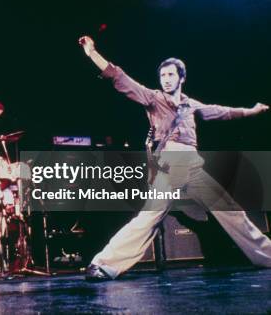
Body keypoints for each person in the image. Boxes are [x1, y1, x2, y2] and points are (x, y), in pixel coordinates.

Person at [77, 35, 271, 280]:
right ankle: (103, 263)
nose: (166, 79)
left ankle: (267, 257)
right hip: (171, 163)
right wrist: (92, 53)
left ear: (182, 78)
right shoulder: (154, 98)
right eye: (163, 75)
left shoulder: (191, 105)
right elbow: (120, 77)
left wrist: (251, 111)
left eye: (170, 75)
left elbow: (221, 112)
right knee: (150, 217)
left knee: (231, 211)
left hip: (193, 165)